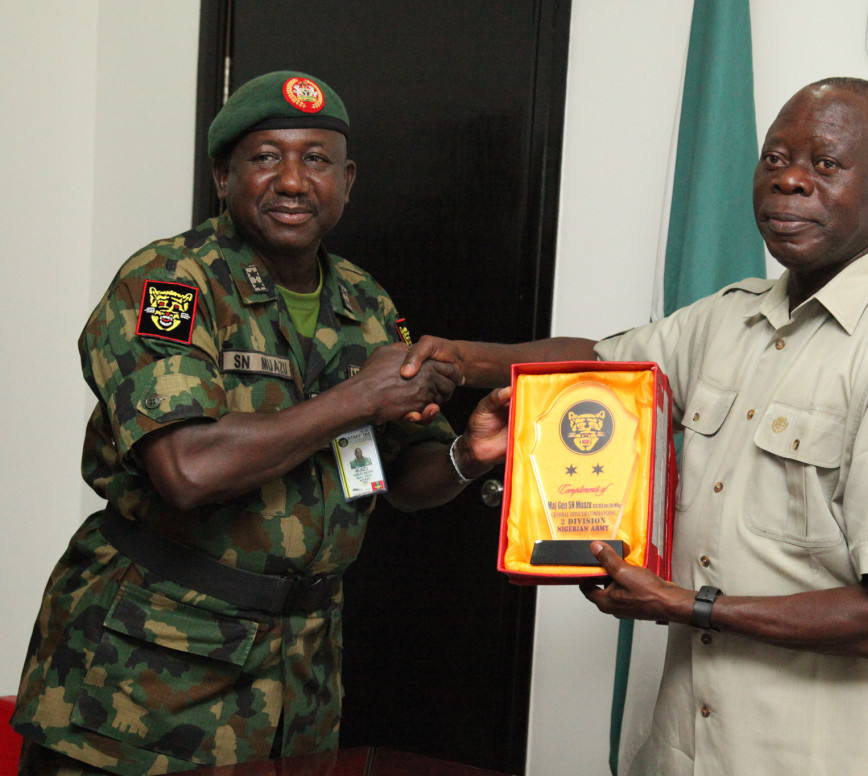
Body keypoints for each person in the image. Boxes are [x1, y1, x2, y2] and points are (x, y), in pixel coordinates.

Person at [402, 77, 868, 775]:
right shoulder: (732, 316)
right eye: (775, 159)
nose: (790, 182)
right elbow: (598, 366)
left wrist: (689, 606)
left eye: (825, 165)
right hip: (685, 744)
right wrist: (456, 359)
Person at [11, 71, 509, 776]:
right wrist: (355, 398)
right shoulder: (171, 284)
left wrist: (468, 453)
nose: (293, 181)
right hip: (147, 669)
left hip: (300, 674)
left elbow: (401, 474)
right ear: (222, 175)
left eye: (316, 158)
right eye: (266, 157)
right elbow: (187, 469)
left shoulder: (363, 302)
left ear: (348, 179)